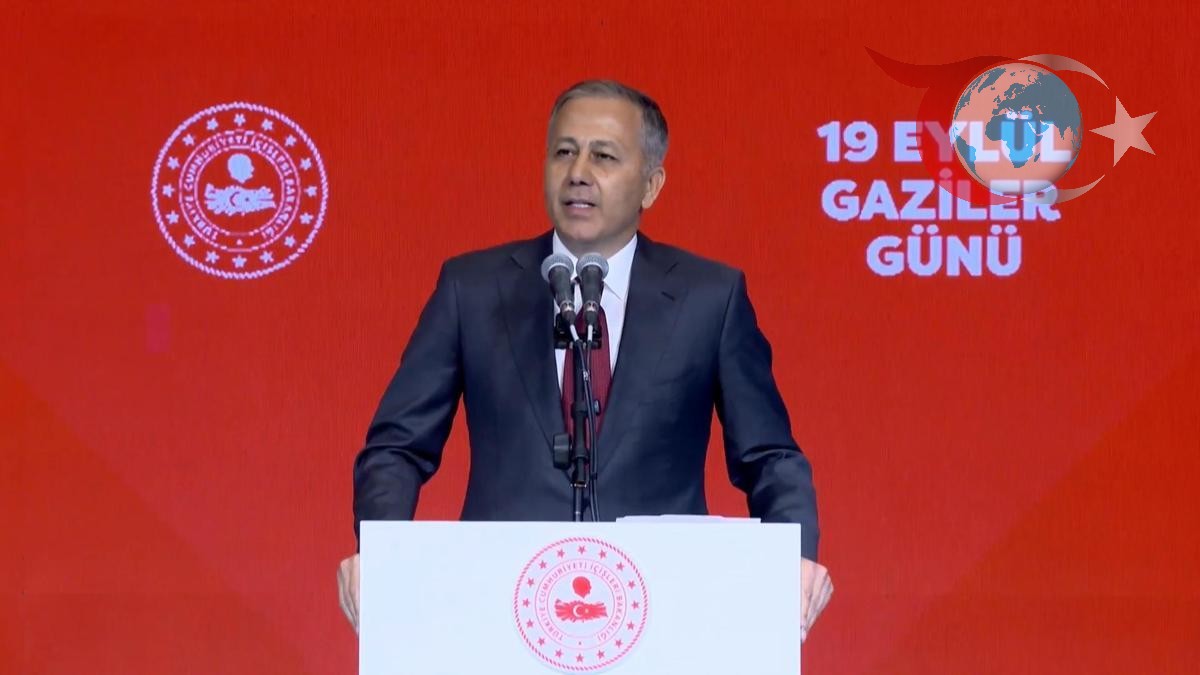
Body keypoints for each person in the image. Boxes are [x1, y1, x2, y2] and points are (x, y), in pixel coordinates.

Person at [337, 79, 832, 640]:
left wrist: (795, 554)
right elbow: (398, 446)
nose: (578, 172)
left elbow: (768, 456)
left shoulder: (709, 298)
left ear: (651, 185)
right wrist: (381, 548)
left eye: (604, 156)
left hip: (662, 612)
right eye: (564, 152)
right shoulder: (472, 289)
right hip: (498, 610)